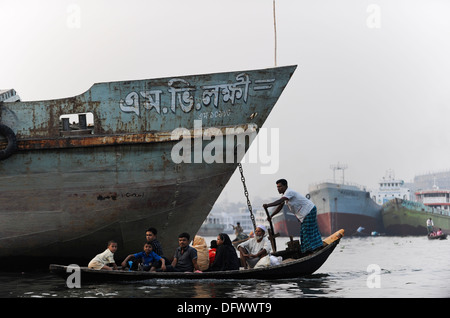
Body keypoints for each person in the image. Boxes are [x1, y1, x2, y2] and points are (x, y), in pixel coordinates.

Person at [264, 178, 323, 254]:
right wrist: (271, 216)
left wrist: (268, 205)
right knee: (305, 231)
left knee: (307, 231)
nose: (278, 189)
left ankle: (310, 249)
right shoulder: (285, 195)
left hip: (309, 210)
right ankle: (312, 248)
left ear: (285, 186)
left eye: (280, 187)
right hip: (306, 213)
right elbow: (280, 206)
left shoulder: (289, 192)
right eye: (277, 187)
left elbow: (279, 201)